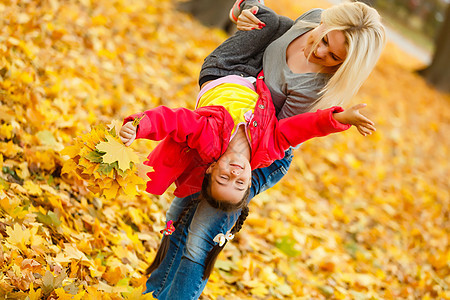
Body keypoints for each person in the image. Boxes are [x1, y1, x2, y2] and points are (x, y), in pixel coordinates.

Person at [143, 1, 386, 299]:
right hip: (231, 128)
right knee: (178, 215)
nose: (321, 53)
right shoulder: (311, 19)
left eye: (335, 56)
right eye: (324, 40)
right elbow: (273, 25)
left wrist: (334, 120)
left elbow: (282, 134)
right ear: (322, 23)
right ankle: (154, 293)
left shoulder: (314, 87)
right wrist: (245, 15)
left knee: (201, 235)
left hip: (263, 153)